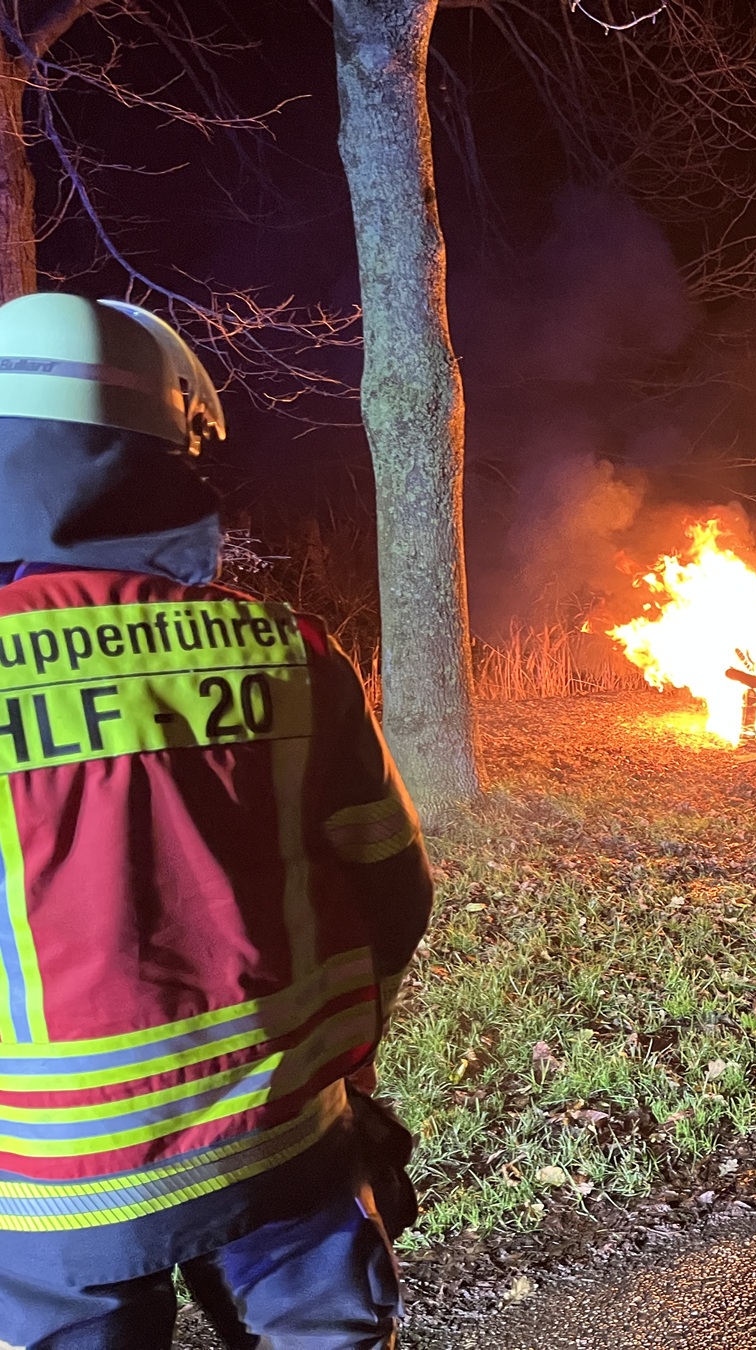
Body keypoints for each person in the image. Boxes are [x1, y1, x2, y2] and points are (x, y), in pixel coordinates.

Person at [0, 293, 433, 1349]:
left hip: (50, 1200)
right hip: (283, 1146)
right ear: (169, 456)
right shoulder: (293, 652)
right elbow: (394, 889)